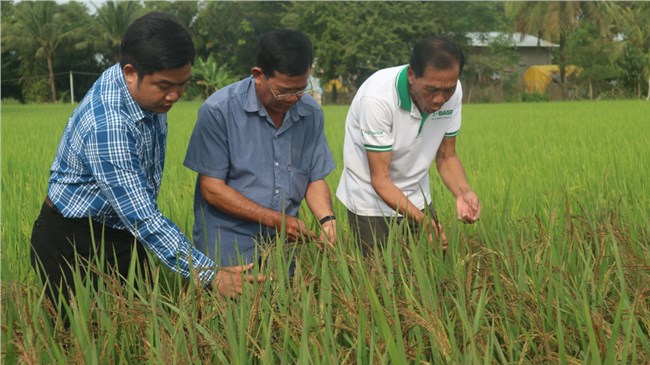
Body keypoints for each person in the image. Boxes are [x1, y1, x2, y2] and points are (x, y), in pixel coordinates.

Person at [29, 13, 242, 319]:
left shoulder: (145, 91)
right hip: (74, 241)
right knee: (84, 340)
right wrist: (209, 273)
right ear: (130, 72)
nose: (174, 95)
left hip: (121, 232)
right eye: (165, 85)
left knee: (140, 327)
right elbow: (141, 215)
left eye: (182, 85)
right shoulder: (110, 123)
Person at [184, 29, 336, 281]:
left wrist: (326, 219)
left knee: (282, 311)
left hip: (283, 242)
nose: (293, 99)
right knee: (230, 317)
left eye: (300, 89)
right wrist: (277, 220)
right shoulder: (219, 111)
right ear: (258, 75)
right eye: (283, 91)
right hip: (228, 241)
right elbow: (212, 188)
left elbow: (314, 176)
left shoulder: (310, 113)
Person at [336, 36, 481, 255]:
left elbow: (446, 155)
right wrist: (424, 221)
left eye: (448, 90)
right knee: (380, 279)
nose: (440, 99)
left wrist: (463, 192)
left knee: (431, 271)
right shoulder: (377, 99)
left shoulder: (453, 91)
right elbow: (381, 180)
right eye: (431, 90)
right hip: (371, 201)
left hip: (417, 195)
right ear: (412, 75)